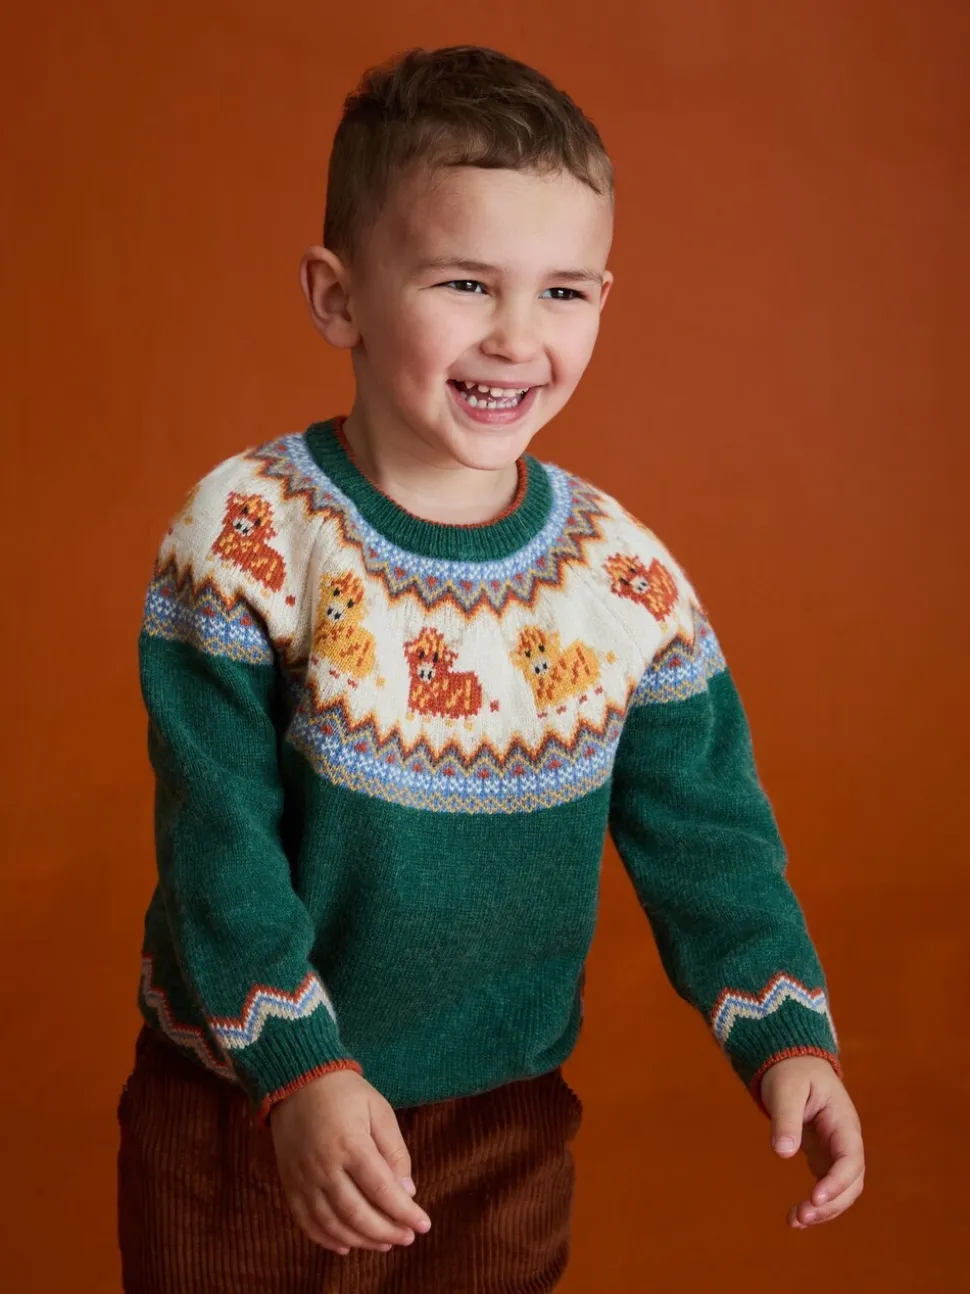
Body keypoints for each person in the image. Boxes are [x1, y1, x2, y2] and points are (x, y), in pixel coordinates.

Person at [116, 44, 865, 1294]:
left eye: (563, 291)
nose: (518, 336)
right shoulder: (245, 536)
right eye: (465, 283)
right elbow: (216, 840)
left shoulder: (619, 576)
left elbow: (708, 833)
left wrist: (784, 1031)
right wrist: (296, 1068)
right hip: (249, 1106)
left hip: (501, 1116)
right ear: (339, 298)